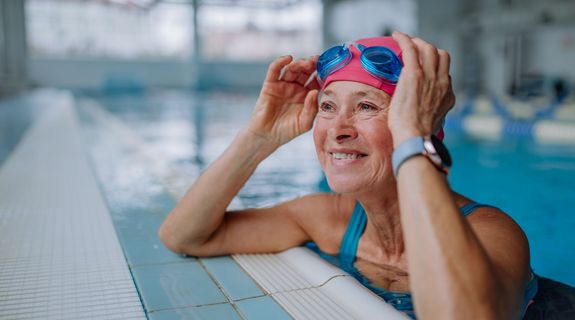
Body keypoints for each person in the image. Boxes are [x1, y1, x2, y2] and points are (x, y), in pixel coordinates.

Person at [159, 32, 537, 319]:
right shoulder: (330, 218)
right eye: (327, 107)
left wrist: (413, 137)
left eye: (367, 106)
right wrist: (259, 137)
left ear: (421, 125)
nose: (337, 129)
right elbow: (184, 236)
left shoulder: (490, 232)